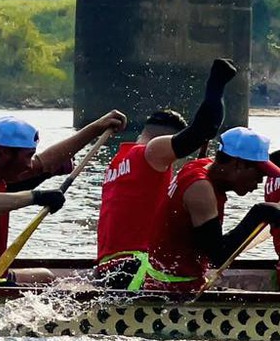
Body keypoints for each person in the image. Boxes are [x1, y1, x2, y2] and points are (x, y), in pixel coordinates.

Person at [0, 111, 125, 283]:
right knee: (49, 284)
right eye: (27, 156)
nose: (29, 165)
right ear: (5, 152)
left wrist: (96, 128)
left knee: (46, 277)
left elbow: (44, 163)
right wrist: (36, 197)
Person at [96, 59, 236, 277]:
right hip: (136, 270)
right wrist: (217, 84)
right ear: (166, 139)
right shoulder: (151, 154)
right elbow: (203, 129)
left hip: (108, 269)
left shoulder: (117, 163)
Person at [142, 126, 280, 292]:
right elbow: (218, 256)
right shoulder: (200, 188)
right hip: (173, 292)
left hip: (174, 282)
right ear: (237, 165)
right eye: (259, 174)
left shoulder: (202, 165)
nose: (258, 183)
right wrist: (260, 212)